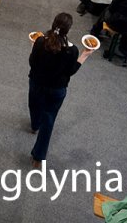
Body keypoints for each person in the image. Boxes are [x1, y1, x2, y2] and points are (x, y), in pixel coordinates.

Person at [28, 13, 93, 166]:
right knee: (49, 120)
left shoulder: (39, 42)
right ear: (68, 30)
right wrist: (85, 55)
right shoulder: (72, 51)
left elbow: (32, 63)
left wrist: (33, 48)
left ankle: (34, 125)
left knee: (34, 104)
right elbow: (70, 71)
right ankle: (38, 156)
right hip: (56, 90)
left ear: (53, 24)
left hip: (37, 83)